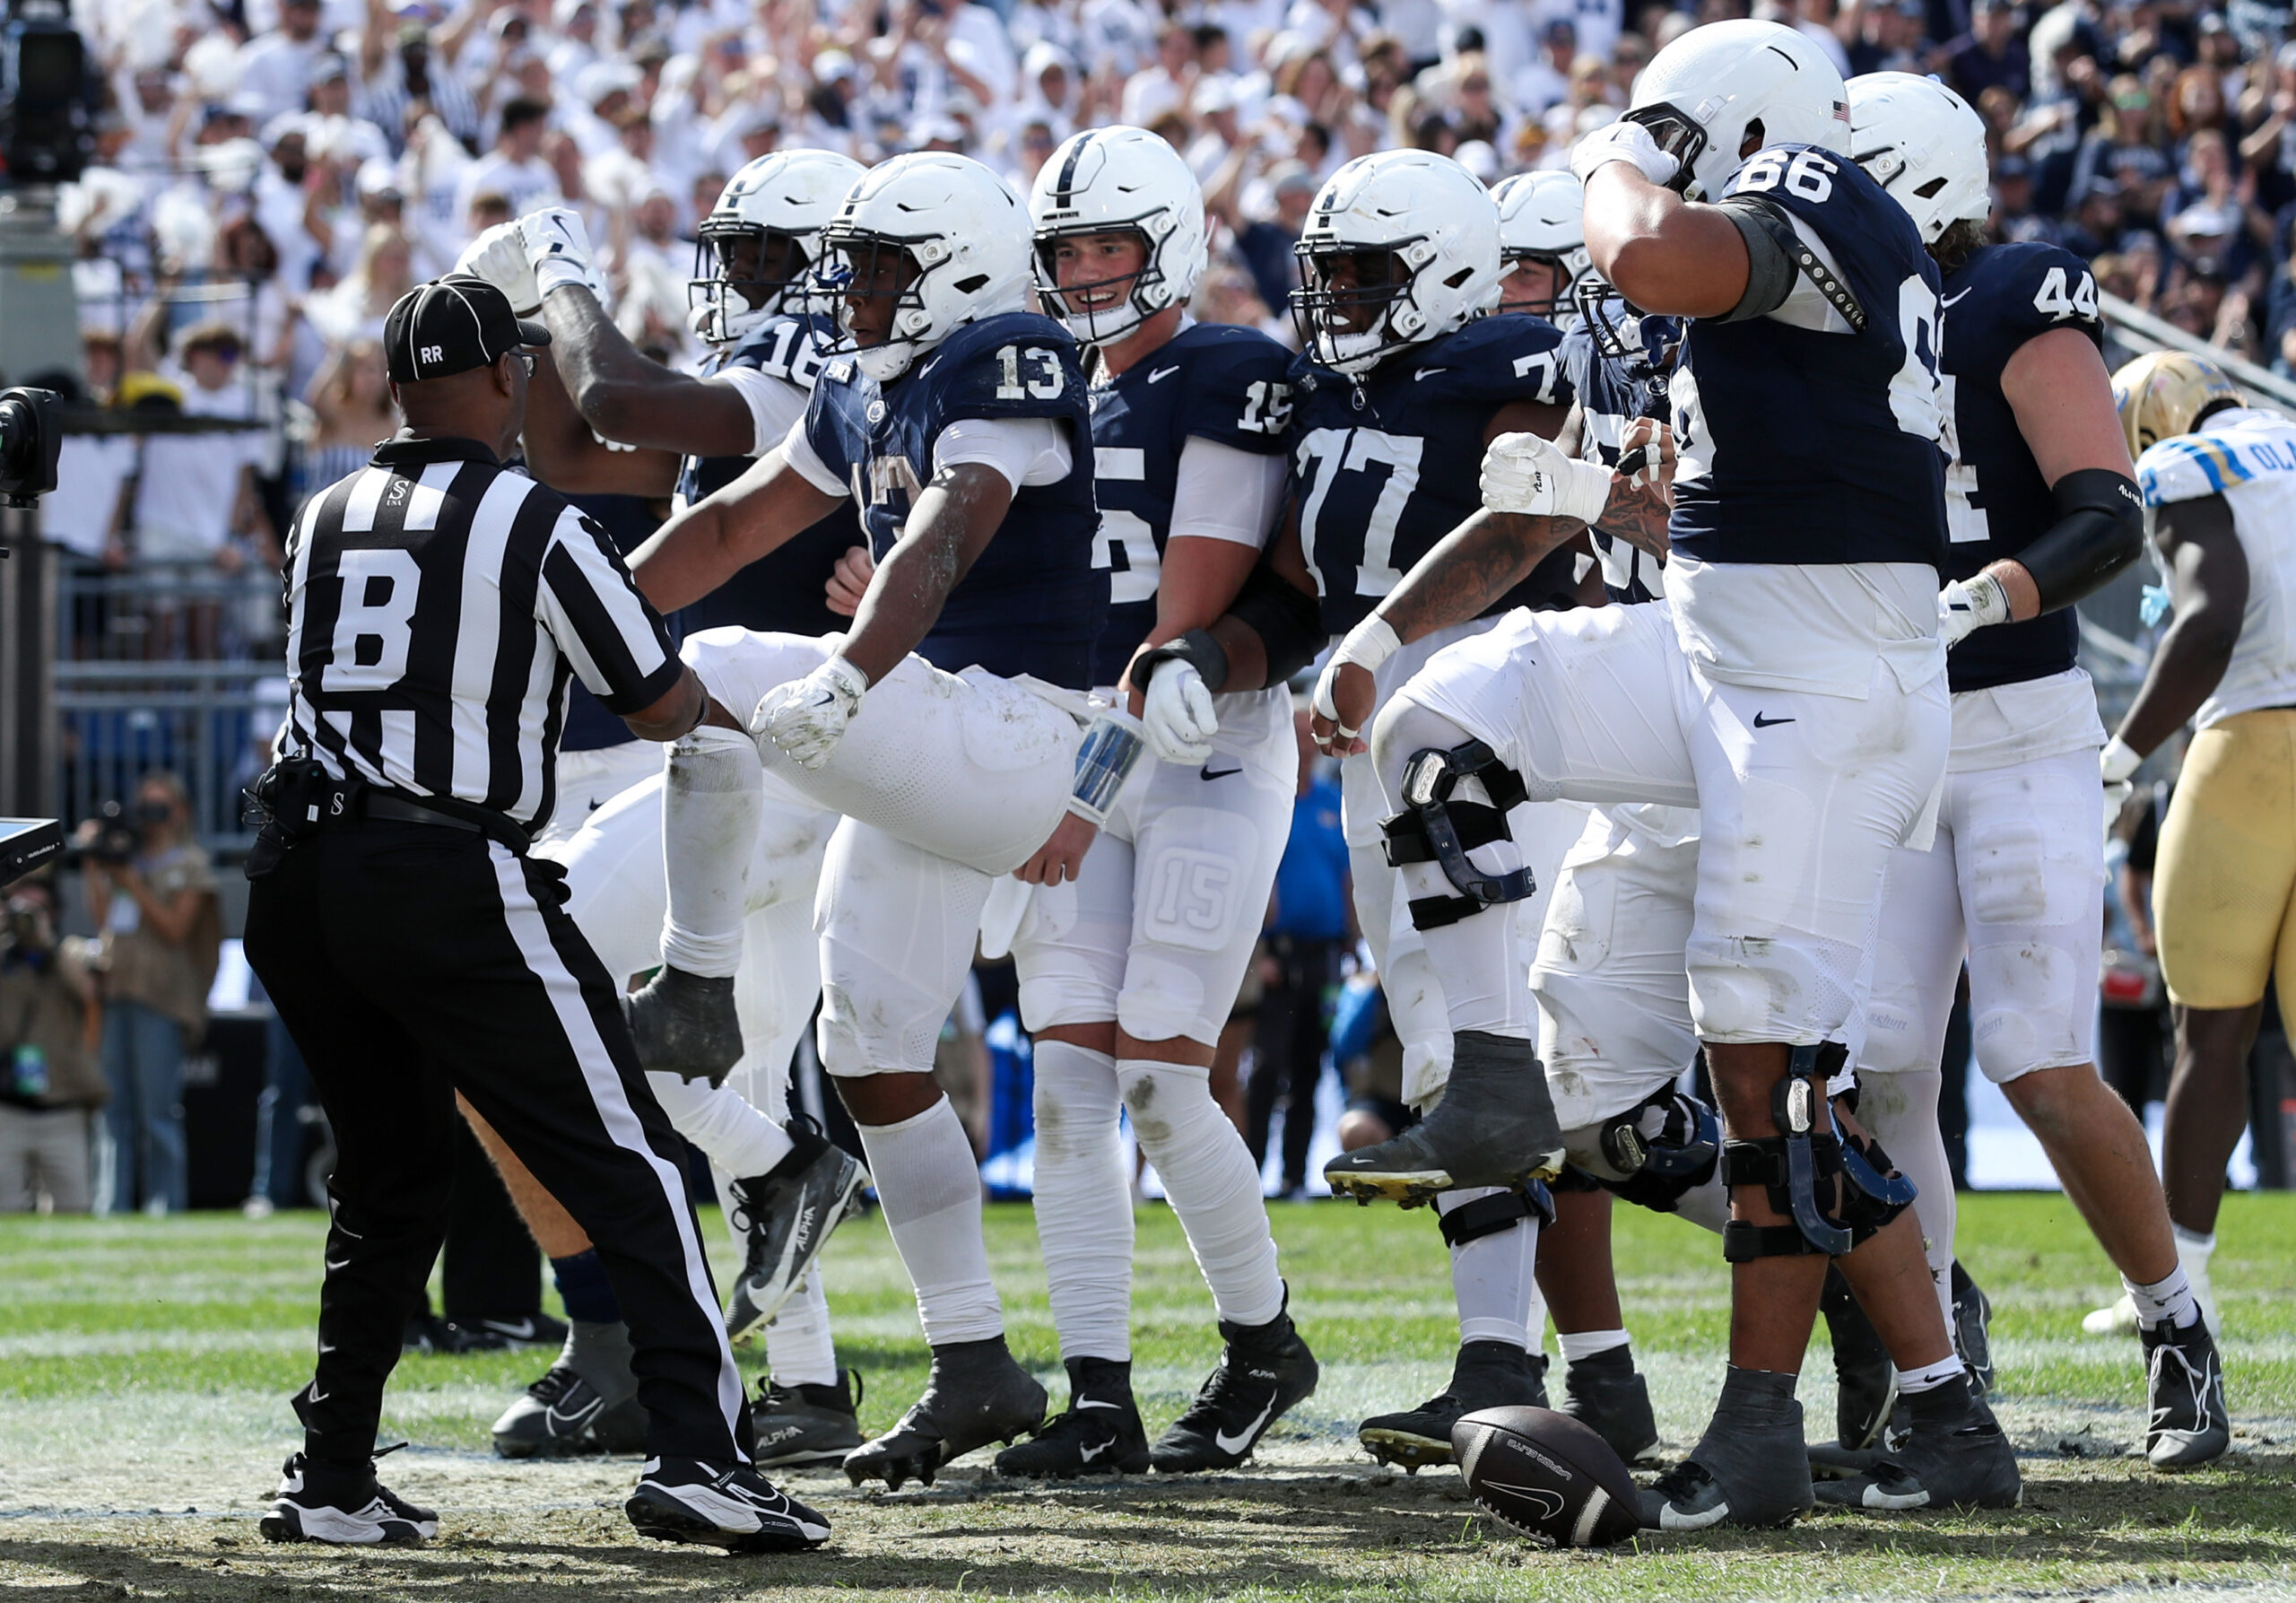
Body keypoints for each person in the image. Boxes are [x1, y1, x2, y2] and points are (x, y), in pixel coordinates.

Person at [1315, 20, 1994, 1528]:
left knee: (1767, 1067)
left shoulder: (1821, 197)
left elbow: (1648, 253)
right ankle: (1492, 1082)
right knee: (1443, 734)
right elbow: (1558, 512)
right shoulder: (1740, 306)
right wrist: (1375, 632)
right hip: (1711, 646)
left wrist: (1628, 162)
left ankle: (1824, 1417)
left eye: (1663, 130)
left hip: (1818, 678)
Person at [241, 273, 827, 1554]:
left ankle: (332, 1472)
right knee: (640, 1163)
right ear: (508, 379)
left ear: (395, 390)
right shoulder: (535, 519)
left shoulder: (323, 510)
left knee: (392, 1183)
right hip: (441, 866)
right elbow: (663, 702)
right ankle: (702, 1456)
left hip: (296, 876)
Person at [626, 152, 1108, 1490]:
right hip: (933, 734)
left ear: (954, 267)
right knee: (871, 1043)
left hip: (1017, 732)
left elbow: (948, 531)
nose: (858, 292)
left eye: (886, 265)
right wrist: (585, 609)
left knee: (720, 663)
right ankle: (974, 1361)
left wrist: (846, 675)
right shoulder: (870, 382)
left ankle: (698, 982)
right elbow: (730, 522)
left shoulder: (1006, 354)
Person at [1157, 145, 1595, 1471]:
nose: (1337, 295)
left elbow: (1525, 527)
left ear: (1447, 271)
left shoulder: (1511, 362)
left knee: (1574, 1063)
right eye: (1327, 270)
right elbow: (1293, 591)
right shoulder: (1335, 396)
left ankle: (1880, 1306)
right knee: (1448, 1058)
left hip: (1509, 722)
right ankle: (1494, 1359)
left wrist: (1377, 638)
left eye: (1365, 272)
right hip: (1376, 723)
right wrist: (1206, 655)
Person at [453, 150, 874, 1468]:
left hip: (775, 754)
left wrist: (565, 271)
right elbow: (583, 438)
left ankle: (765, 1178)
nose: (739, 279)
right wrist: (524, 325)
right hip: (758, 759)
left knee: (532, 969)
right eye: (734, 253)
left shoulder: (812, 363)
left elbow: (625, 400)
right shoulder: (792, 382)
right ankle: (804, 1381)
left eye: (763, 257)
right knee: (734, 1062)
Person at [1842, 72, 2227, 1479]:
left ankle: (2176, 1320)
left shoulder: (2010, 291)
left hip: (2014, 723)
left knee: (2037, 1054)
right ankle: (1940, 1355)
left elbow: (2104, 513)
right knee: (1878, 1060)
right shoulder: (1824, 321)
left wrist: (1987, 594)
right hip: (1879, 729)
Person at [987, 125, 1318, 1478]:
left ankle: (1262, 1340)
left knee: (1162, 1075)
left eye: (1106, 245)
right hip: (1084, 747)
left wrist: (1079, 790)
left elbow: (1182, 620)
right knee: (1067, 1083)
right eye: (1063, 250)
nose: (1081, 272)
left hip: (1203, 744)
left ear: (1168, 243)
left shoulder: (1226, 373)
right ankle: (1098, 1392)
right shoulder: (1051, 387)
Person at [2083, 347, 2295, 1426]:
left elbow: (2210, 616)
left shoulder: (2187, 465)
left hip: (2255, 748)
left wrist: (2121, 754)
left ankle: (2180, 1282)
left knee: (2210, 1027)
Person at [82, 771, 220, 1217]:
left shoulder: (191, 863)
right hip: (117, 988)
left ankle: (166, 1203)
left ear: (180, 812)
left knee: (158, 1109)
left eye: (161, 807)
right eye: (146, 807)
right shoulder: (126, 856)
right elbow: (104, 921)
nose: (152, 818)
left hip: (162, 998)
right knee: (114, 1107)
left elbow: (175, 931)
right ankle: (112, 1202)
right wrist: (93, 864)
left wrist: (131, 882)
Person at [1249, 704, 1352, 1195]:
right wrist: (1260, 953)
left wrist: (1353, 943)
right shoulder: (1266, 801)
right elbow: (1254, 881)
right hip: (1279, 954)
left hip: (1325, 955)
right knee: (1268, 1066)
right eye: (1296, 735)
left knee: (1311, 1067)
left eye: (1310, 735)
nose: (1304, 744)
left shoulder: (1335, 802)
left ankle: (1294, 1176)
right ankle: (1249, 1173)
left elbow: (1348, 879)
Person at [0, 878, 106, 1214]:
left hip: (62, 1105)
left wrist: (45, 942)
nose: (27, 918)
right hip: (6, 1107)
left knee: (75, 1209)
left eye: (38, 910)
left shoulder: (69, 951)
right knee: (7, 1213)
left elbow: (89, 993)